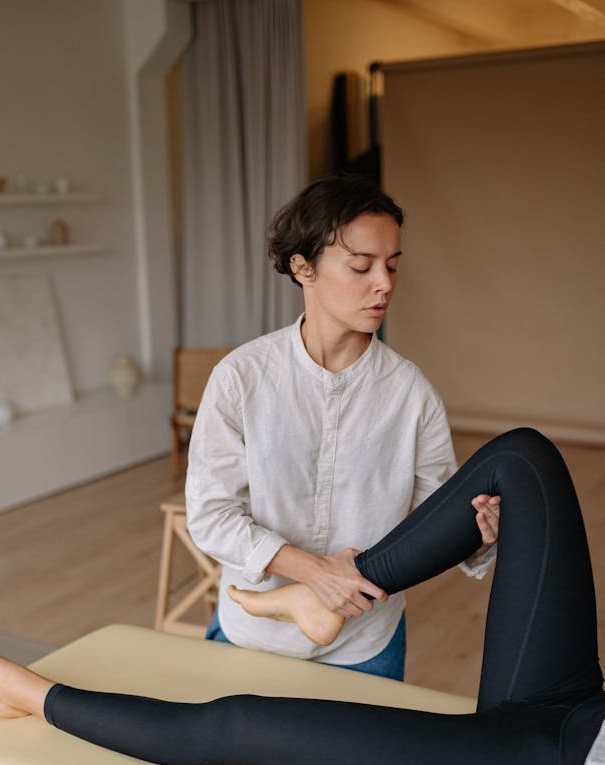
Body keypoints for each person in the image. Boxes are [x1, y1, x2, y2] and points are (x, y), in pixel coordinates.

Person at [0, 429, 604, 765]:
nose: (381, 283)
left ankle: (20, 692)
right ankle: (325, 596)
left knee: (242, 723)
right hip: (580, 705)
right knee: (522, 461)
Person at [185, 173, 499, 681]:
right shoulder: (241, 378)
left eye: (392, 266)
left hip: (366, 645)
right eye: (361, 266)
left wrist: (480, 537)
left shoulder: (410, 393)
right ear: (302, 267)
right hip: (251, 637)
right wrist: (313, 574)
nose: (385, 284)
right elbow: (211, 515)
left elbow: (435, 517)